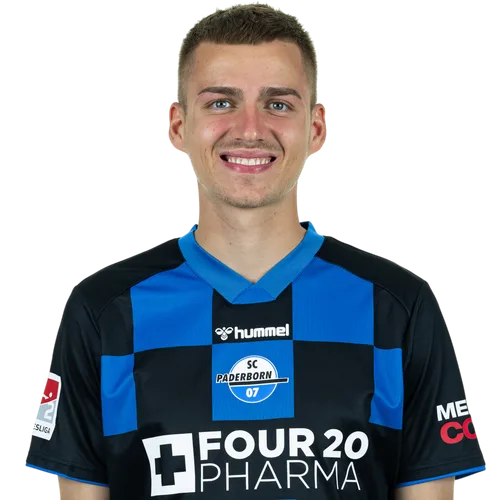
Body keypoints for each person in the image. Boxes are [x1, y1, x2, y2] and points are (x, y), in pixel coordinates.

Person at [24, 3, 486, 499]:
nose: (249, 129)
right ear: (178, 126)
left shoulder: (399, 306)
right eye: (221, 102)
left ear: (316, 128)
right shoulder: (103, 310)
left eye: (278, 104)